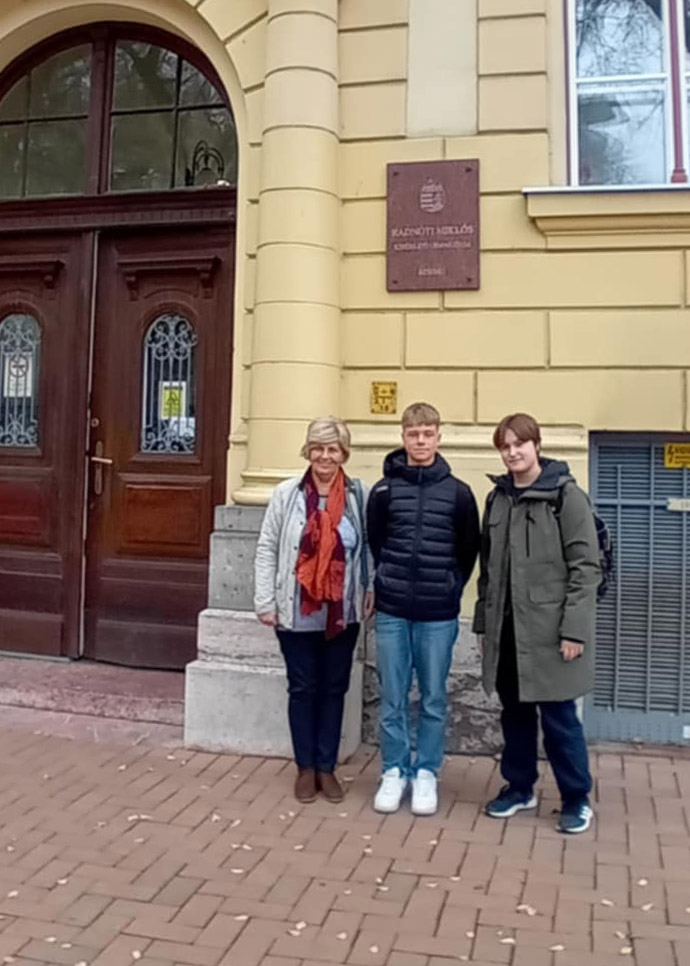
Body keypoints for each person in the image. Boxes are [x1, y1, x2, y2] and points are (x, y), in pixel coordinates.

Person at [473, 413, 600, 834]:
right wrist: (483, 626)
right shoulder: (497, 499)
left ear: (536, 445)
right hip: (507, 631)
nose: (512, 453)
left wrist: (574, 630)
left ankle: (576, 798)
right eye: (505, 446)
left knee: (561, 721)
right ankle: (520, 787)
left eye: (519, 444)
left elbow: (586, 568)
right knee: (515, 716)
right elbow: (488, 571)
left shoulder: (567, 497)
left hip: (551, 633)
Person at [367, 402, 480, 816]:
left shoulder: (459, 493)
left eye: (427, 434)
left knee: (433, 697)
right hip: (393, 610)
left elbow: (468, 550)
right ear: (403, 437)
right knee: (393, 696)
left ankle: (427, 771)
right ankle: (394, 770)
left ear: (438, 437)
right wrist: (386, 582)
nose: (420, 441)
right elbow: (377, 542)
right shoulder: (383, 491)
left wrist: (450, 586)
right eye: (413, 434)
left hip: (438, 614)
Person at [254, 417, 374, 805]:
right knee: (303, 687)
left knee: (335, 687)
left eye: (333, 449)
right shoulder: (286, 494)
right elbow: (267, 547)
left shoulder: (358, 495)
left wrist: (370, 587)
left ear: (344, 454)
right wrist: (265, 601)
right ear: (308, 451)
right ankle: (305, 768)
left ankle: (327, 767)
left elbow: (369, 548)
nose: (325, 456)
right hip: (296, 609)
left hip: (342, 611)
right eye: (318, 448)